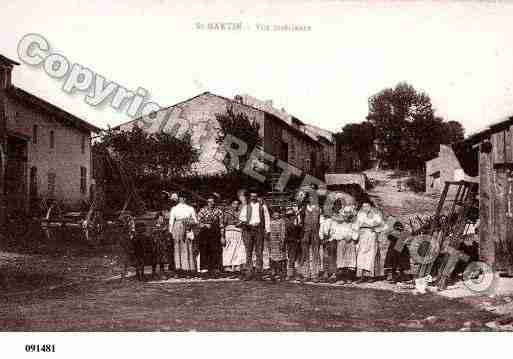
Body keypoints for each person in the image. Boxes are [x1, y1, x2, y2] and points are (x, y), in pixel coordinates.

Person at [239, 189, 271, 280]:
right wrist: (246, 223)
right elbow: (241, 217)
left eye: (255, 196)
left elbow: (267, 218)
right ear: (250, 197)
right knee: (248, 252)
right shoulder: (246, 206)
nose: (253, 198)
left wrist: (267, 230)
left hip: (259, 230)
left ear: (257, 197)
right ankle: (249, 273)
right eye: (252, 196)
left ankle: (258, 273)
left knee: (259, 252)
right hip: (248, 230)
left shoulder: (262, 206)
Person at [354, 202, 384, 282]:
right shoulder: (360, 214)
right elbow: (357, 225)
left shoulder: (376, 214)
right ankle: (361, 276)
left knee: (371, 255)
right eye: (363, 206)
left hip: (371, 235)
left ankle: (371, 276)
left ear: (370, 206)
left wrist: (374, 228)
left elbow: (381, 225)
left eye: (367, 206)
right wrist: (356, 234)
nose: (365, 208)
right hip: (362, 236)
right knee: (361, 255)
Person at [168, 193, 198, 276]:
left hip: (187, 227)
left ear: (185, 199)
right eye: (181, 198)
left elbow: (195, 221)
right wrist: (171, 232)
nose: (182, 199)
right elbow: (171, 221)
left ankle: (187, 268)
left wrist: (189, 223)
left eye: (184, 198)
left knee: (187, 247)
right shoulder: (174, 208)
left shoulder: (190, 208)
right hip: (177, 228)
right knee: (178, 248)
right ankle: (179, 269)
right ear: (179, 199)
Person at [198, 194, 224, 277]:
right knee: (204, 250)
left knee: (215, 250)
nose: (211, 203)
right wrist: (205, 225)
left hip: (215, 232)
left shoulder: (219, 211)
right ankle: (204, 269)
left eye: (212, 202)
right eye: (209, 202)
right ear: (207, 202)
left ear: (214, 202)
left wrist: (223, 236)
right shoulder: (202, 210)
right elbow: (198, 223)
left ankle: (215, 269)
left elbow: (221, 224)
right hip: (204, 232)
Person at [299, 192, 321, 282]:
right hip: (305, 233)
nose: (312, 199)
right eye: (311, 198)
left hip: (315, 233)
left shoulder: (318, 209)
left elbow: (321, 222)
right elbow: (300, 222)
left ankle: (315, 274)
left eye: (314, 198)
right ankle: (306, 274)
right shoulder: (303, 209)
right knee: (305, 254)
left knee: (315, 253)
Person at [333, 205, 359, 282]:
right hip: (342, 242)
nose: (347, 215)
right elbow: (335, 233)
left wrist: (351, 236)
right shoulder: (339, 223)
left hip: (350, 243)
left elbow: (356, 233)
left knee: (350, 260)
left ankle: (349, 278)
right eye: (346, 213)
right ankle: (341, 278)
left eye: (349, 213)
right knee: (341, 260)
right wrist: (343, 236)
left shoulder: (354, 223)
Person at [222, 199, 246, 274]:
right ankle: (227, 266)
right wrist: (222, 236)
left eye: (237, 204)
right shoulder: (227, 213)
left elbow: (243, 221)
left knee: (239, 249)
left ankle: (237, 265)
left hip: (238, 232)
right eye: (234, 204)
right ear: (231, 204)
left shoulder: (241, 213)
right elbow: (223, 224)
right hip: (229, 232)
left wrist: (240, 223)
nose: (235, 205)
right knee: (229, 249)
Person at [269, 210, 287, 282]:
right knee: (272, 258)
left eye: (277, 214)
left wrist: (282, 241)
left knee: (280, 258)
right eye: (274, 214)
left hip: (279, 241)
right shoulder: (270, 221)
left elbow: (283, 232)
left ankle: (281, 274)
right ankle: (273, 273)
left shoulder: (282, 221)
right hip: (272, 241)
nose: (276, 215)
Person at [320, 208, 336, 282]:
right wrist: (322, 238)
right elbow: (321, 231)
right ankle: (326, 272)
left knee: (332, 257)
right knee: (325, 257)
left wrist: (329, 238)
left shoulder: (333, 221)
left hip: (331, 240)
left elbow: (334, 231)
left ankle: (333, 274)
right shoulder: (323, 221)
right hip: (325, 241)